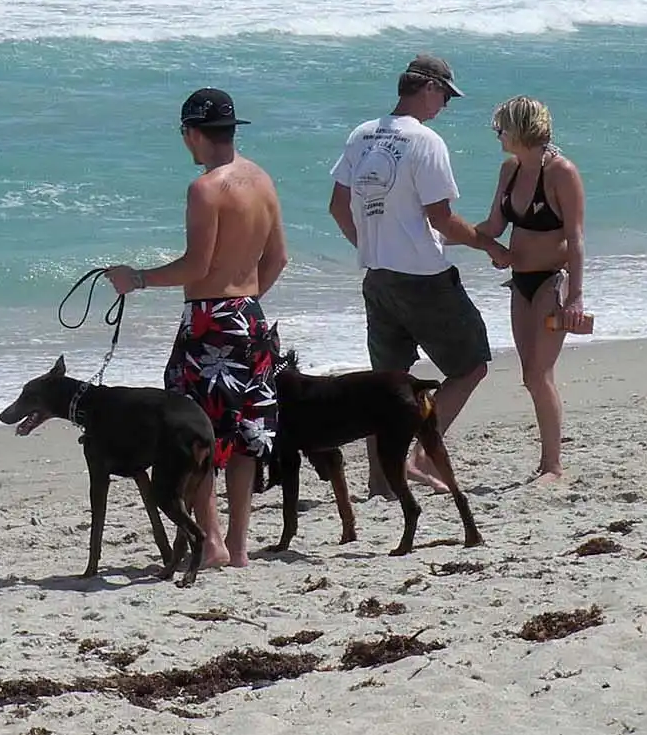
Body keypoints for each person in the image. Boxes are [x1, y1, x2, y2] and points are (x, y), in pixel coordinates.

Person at [104, 89, 288, 569]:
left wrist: (137, 279)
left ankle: (212, 542)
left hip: (209, 320)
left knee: (195, 432)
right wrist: (245, 303)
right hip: (250, 317)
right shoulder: (262, 180)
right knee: (247, 432)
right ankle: (241, 546)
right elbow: (278, 258)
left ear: (192, 133)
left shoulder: (205, 189)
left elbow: (196, 264)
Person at [329, 54, 510, 496]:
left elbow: (337, 207)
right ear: (427, 88)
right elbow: (442, 219)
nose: (445, 105)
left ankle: (379, 482)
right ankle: (415, 451)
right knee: (471, 366)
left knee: (383, 386)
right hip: (423, 277)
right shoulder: (425, 142)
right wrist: (490, 245)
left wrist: (371, 245)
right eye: (445, 95)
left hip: (377, 276)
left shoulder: (361, 134)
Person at [474, 96, 587, 482]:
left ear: (520, 129)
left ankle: (553, 465)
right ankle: (546, 461)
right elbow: (492, 226)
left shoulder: (561, 172)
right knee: (529, 375)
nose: (497, 135)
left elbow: (576, 238)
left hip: (553, 284)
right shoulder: (509, 170)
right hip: (520, 283)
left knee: (541, 373)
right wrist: (440, 232)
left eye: (501, 128)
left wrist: (576, 295)